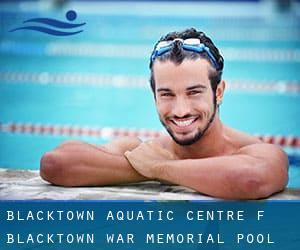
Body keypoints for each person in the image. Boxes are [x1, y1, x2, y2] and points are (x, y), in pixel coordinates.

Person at [40, 28, 288, 199]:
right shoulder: (142, 149)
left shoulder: (255, 151)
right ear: (154, 95)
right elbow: (56, 164)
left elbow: (249, 180)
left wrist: (161, 168)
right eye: (167, 94)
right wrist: (158, 166)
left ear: (219, 91)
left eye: (194, 93)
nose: (180, 111)